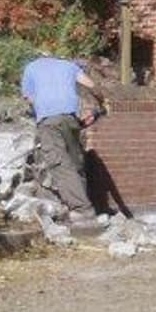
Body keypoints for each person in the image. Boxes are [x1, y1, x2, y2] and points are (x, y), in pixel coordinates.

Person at [21, 54, 105, 222]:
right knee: (76, 162)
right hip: (70, 118)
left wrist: (40, 109)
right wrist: (102, 105)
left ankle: (82, 209)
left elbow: (28, 97)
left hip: (48, 120)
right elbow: (92, 86)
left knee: (60, 164)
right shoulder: (69, 66)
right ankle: (84, 202)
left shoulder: (31, 67)